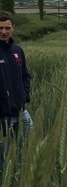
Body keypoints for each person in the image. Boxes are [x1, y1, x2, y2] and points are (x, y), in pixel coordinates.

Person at [0, 10, 32, 169]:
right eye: (0, 28)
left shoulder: (17, 51)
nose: (4, 32)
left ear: (13, 27)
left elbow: (25, 76)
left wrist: (24, 96)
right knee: (4, 160)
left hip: (21, 112)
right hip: (3, 117)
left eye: (7, 28)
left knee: (29, 150)